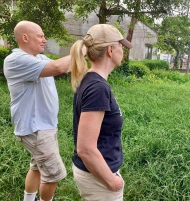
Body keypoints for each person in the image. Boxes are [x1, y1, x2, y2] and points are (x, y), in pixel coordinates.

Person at [3, 20, 71, 201]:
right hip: (36, 129)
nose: (44, 40)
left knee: (37, 167)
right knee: (54, 174)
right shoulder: (16, 60)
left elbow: (64, 66)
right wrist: (82, 49)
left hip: (43, 126)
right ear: (25, 38)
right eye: (40, 36)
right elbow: (58, 67)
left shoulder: (38, 58)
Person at [70, 24, 133, 201]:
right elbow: (85, 149)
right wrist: (112, 182)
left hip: (95, 173)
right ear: (111, 50)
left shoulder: (91, 80)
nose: (123, 50)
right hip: (99, 177)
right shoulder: (98, 87)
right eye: (121, 46)